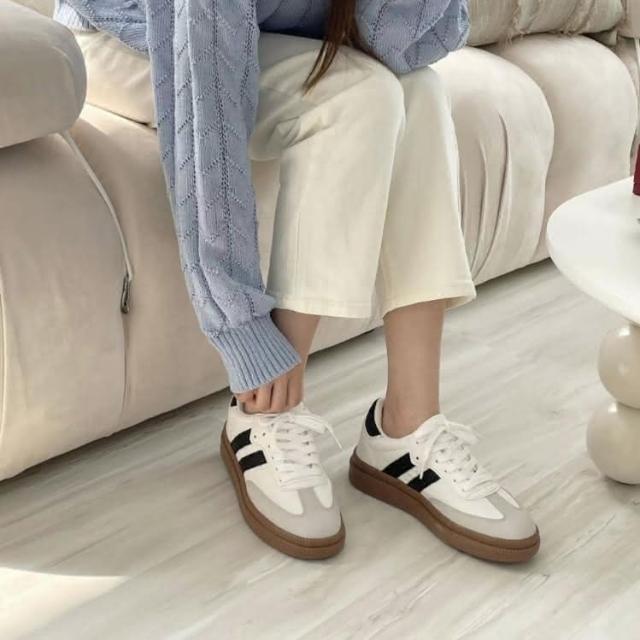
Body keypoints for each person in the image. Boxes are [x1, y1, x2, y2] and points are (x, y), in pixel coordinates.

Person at [55, 0, 540, 563]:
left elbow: (409, 42)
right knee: (357, 97)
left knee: (420, 92)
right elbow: (205, 120)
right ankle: (264, 413)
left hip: (255, 31)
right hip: (131, 39)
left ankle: (406, 425)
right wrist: (244, 329)